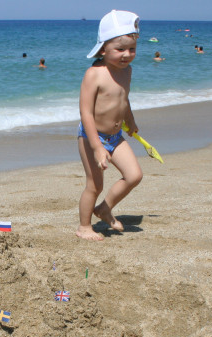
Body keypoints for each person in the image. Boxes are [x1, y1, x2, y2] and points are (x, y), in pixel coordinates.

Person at [77, 10, 142, 241]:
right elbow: (85, 112)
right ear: (103, 48)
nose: (127, 55)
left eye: (132, 49)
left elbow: (123, 98)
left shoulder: (127, 71)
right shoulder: (95, 74)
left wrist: (130, 120)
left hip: (115, 137)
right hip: (92, 137)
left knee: (134, 175)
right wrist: (97, 146)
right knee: (95, 185)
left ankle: (104, 209)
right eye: (120, 49)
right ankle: (84, 226)